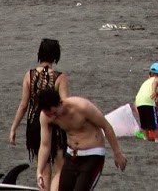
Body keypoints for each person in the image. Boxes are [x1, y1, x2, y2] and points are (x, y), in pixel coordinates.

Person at [36, 89, 127, 191]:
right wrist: (39, 170)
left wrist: (117, 153)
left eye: (55, 113)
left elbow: (106, 126)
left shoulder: (82, 107)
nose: (53, 117)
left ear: (60, 103)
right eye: (49, 114)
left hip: (93, 155)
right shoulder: (46, 117)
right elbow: (45, 145)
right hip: (71, 156)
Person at [8, 39, 68, 189]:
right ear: (56, 55)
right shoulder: (60, 78)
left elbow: (23, 105)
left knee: (43, 170)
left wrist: (13, 128)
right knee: (60, 169)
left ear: (40, 54)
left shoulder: (29, 75)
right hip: (55, 124)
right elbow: (66, 104)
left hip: (34, 125)